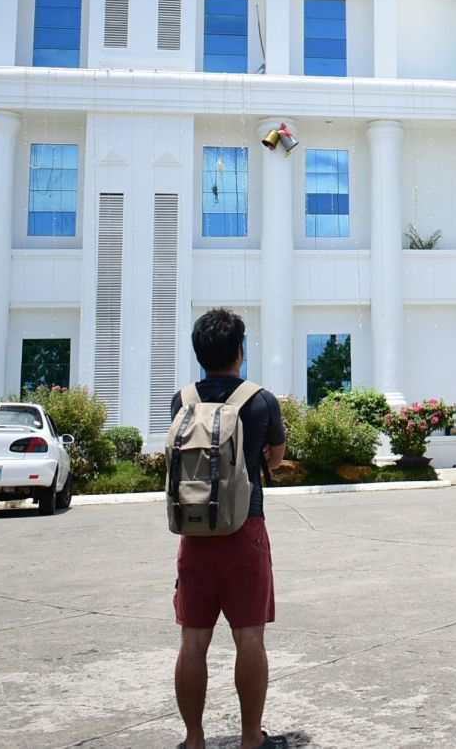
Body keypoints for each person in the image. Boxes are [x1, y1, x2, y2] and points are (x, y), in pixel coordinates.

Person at [170, 308, 289, 749]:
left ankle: (194, 739)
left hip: (195, 531)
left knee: (193, 641)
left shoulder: (182, 401)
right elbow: (274, 460)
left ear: (200, 353)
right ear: (240, 351)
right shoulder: (260, 400)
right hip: (245, 529)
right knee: (249, 638)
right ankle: (250, 739)